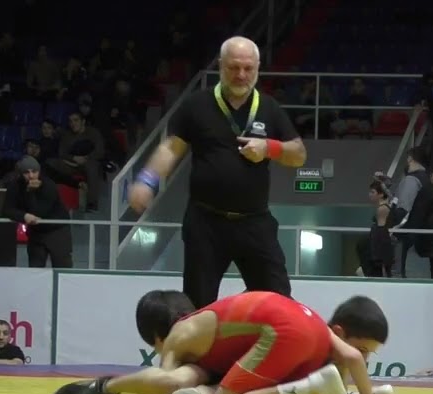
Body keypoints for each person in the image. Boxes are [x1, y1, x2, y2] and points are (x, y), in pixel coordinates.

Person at [127, 36, 305, 308]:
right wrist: (146, 180)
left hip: (254, 222)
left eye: (248, 68)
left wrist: (270, 148)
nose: (241, 75)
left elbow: (298, 154)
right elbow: (171, 148)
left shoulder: (270, 107)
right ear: (221, 66)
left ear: (257, 68)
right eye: (234, 67)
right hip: (205, 223)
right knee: (197, 305)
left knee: (278, 302)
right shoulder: (196, 105)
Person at [51, 291, 398, 394]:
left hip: (279, 329)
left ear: (157, 337)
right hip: (295, 324)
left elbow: (166, 383)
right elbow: (352, 357)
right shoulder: (323, 328)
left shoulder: (177, 336)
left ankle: (105, 387)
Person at [4, 156, 72, 267]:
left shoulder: (49, 185)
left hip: (57, 230)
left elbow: (39, 212)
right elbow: (7, 209)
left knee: (62, 269)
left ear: (39, 171)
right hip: (36, 232)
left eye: (34, 172)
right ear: (21, 174)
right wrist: (24, 216)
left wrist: (30, 192)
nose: (31, 176)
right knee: (35, 270)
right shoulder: (15, 186)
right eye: (26, 172)